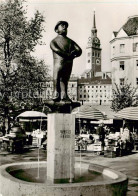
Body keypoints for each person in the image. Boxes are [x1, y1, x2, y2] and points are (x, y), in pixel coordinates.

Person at [50, 21, 82, 101]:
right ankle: (57, 93)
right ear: (57, 30)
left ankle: (61, 94)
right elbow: (55, 49)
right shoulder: (55, 41)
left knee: (62, 79)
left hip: (63, 63)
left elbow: (79, 50)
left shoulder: (69, 41)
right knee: (58, 78)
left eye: (65, 26)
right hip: (62, 63)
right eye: (62, 25)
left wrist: (73, 54)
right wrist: (70, 55)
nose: (64, 27)